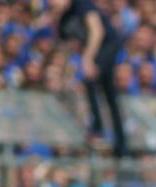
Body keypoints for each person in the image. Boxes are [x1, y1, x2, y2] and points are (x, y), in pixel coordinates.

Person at [49, 0, 127, 158]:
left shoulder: (81, 4)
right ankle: (117, 142)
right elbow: (66, 48)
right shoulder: (65, 20)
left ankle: (99, 127)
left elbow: (97, 30)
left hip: (107, 45)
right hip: (93, 51)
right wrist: (63, 75)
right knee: (109, 94)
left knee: (91, 77)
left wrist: (88, 58)